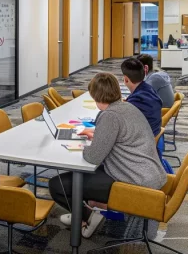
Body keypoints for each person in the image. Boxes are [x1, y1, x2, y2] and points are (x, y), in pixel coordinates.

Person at [48, 73, 166, 238]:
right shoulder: (126, 107)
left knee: (57, 185)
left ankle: (87, 218)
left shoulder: (110, 115)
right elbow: (121, 136)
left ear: (95, 95)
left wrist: (84, 145)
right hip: (147, 173)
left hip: (133, 179)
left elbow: (92, 157)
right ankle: (84, 214)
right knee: (83, 177)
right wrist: (98, 136)